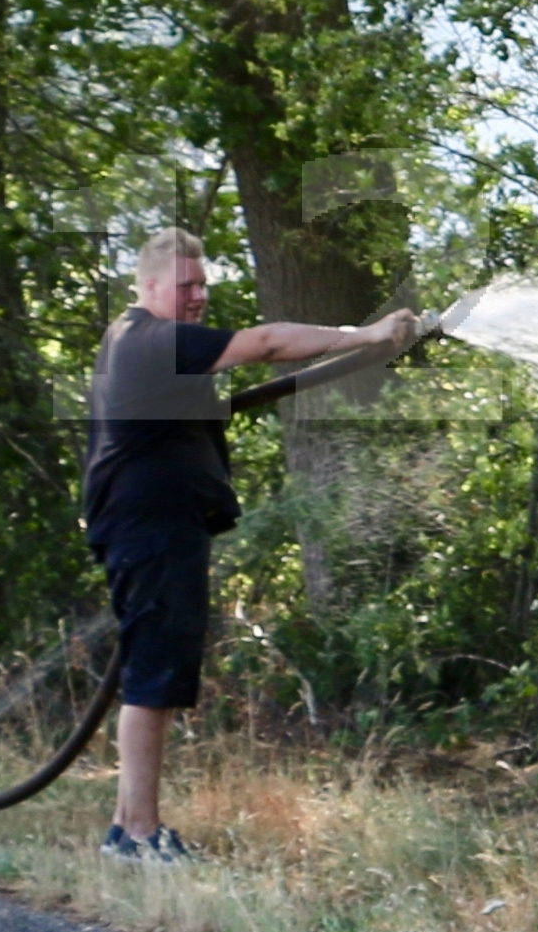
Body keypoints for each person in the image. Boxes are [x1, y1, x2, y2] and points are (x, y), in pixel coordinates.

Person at [81, 228, 416, 863]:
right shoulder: (153, 340)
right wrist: (367, 334)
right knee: (153, 679)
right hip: (149, 528)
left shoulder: (144, 345)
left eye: (204, 284)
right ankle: (143, 838)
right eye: (186, 285)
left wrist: (359, 344)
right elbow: (266, 344)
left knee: (156, 672)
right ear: (149, 287)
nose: (199, 295)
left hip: (156, 526)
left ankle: (127, 829)